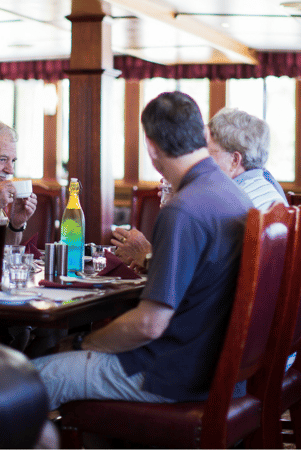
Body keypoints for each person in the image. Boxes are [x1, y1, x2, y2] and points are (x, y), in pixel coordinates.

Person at [32, 91, 253, 410]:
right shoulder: (235, 194)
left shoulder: (184, 209)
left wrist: (82, 342)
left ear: (151, 147)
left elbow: (149, 324)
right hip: (217, 367)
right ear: (204, 135)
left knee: (30, 379)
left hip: (171, 372)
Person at [112, 106, 287, 270]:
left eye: (208, 153)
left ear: (235, 160)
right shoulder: (269, 189)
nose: (200, 161)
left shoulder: (231, 203)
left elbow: (198, 278)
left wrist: (147, 256)